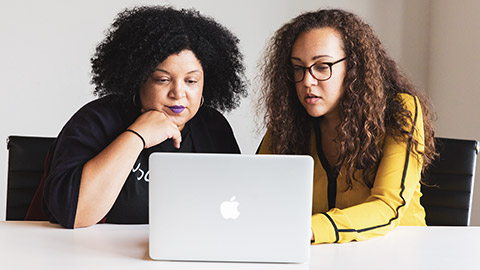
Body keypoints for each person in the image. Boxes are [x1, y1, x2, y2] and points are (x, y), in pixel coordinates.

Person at [26, 6, 247, 229]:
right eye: (162, 79)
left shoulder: (212, 127)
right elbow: (75, 215)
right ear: (138, 78)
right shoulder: (96, 120)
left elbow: (239, 205)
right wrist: (137, 135)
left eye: (191, 81)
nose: (178, 93)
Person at [257, 9, 436, 244]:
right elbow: (257, 190)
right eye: (298, 68)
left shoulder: (399, 111)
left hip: (398, 252)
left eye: (322, 66)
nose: (307, 81)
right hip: (318, 254)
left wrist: (307, 229)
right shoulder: (289, 119)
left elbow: (388, 207)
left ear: (354, 68)